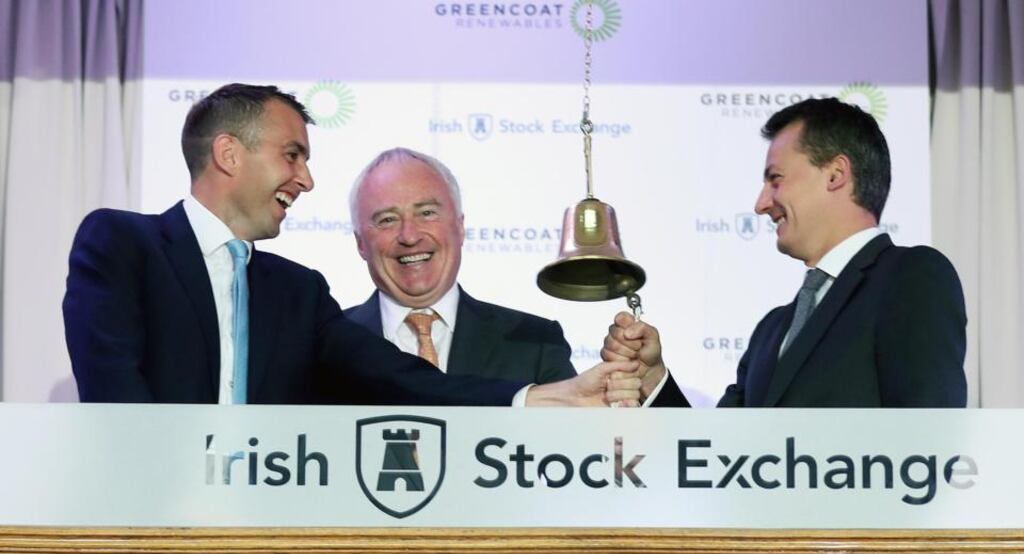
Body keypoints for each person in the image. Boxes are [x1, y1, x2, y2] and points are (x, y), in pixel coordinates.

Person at [63, 83, 640, 407]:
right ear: (229, 154)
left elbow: (405, 381)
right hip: (147, 531)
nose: (306, 180)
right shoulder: (122, 245)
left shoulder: (298, 292)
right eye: (293, 155)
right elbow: (116, 399)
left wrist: (539, 399)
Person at [603, 97, 967, 408]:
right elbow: (717, 453)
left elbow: (928, 443)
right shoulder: (772, 330)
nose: (761, 204)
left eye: (775, 179)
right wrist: (653, 378)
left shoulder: (911, 277)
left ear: (835, 174)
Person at [344, 148, 576, 385]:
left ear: (460, 227)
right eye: (387, 220)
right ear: (360, 243)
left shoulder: (537, 343)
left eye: (426, 213)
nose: (410, 236)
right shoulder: (325, 346)